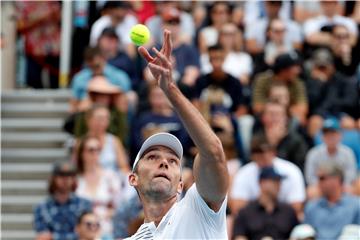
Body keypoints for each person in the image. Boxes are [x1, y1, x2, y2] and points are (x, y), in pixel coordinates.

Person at [125, 30, 229, 239]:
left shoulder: (198, 208)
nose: (164, 163)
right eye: (152, 157)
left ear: (181, 184)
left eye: (173, 161)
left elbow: (213, 153)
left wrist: (170, 89)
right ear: (133, 179)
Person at [230, 135, 305, 218]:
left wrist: (273, 204)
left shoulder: (291, 170)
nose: (263, 155)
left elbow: (297, 207)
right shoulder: (244, 173)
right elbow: (237, 208)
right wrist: (263, 201)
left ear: (274, 151)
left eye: (266, 151)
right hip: (254, 220)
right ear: (252, 155)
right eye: (257, 152)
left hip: (284, 220)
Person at [75, 135, 134, 239]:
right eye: (91, 150)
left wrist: (102, 215)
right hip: (82, 231)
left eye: (98, 149)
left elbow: (119, 207)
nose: (95, 153)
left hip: (106, 229)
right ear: (82, 153)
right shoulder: (75, 179)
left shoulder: (110, 177)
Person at [232, 167, 299, 240]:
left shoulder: (288, 211)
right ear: (262, 183)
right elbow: (239, 237)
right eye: (275, 181)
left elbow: (297, 234)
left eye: (279, 182)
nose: (279, 185)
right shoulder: (245, 212)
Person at [33, 162, 92, 240]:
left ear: (74, 179)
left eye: (69, 176)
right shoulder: (42, 207)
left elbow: (88, 233)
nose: (65, 179)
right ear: (53, 179)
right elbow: (43, 236)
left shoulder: (84, 205)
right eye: (61, 175)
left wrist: (54, 236)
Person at [304, 162, 360, 239]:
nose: (318, 183)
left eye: (322, 178)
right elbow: (306, 234)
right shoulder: (311, 207)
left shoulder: (356, 205)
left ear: (336, 179)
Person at [305, 118, 357, 199]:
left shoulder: (347, 152)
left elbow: (351, 174)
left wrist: (340, 185)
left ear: (340, 135)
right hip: (321, 186)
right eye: (327, 134)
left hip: (342, 186)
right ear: (322, 137)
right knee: (311, 191)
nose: (330, 137)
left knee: (352, 188)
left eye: (333, 133)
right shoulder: (314, 153)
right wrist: (324, 185)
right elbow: (310, 176)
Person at [193, 44, 249, 117]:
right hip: (205, 119)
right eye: (213, 58)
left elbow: (242, 108)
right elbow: (194, 105)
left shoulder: (234, 82)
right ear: (209, 60)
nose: (216, 62)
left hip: (228, 120)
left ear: (224, 59)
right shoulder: (201, 81)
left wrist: (230, 120)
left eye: (219, 58)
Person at [252, 52, 308, 124]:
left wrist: (283, 109)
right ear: (283, 70)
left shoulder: (297, 82)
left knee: (300, 118)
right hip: (266, 116)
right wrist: (277, 107)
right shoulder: (263, 80)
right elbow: (257, 107)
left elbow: (302, 108)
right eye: (295, 67)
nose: (298, 71)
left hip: (288, 116)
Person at [70, 47, 131, 113]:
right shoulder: (79, 78)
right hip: (87, 111)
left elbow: (125, 98)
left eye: (97, 66)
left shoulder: (119, 76)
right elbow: (74, 104)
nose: (95, 71)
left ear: (104, 59)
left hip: (112, 109)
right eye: (91, 67)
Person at [253, 101, 309, 171]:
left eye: (278, 114)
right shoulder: (256, 140)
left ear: (286, 119)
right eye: (271, 114)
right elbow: (253, 165)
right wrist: (272, 142)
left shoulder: (296, 141)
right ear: (263, 118)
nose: (274, 118)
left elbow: (300, 168)